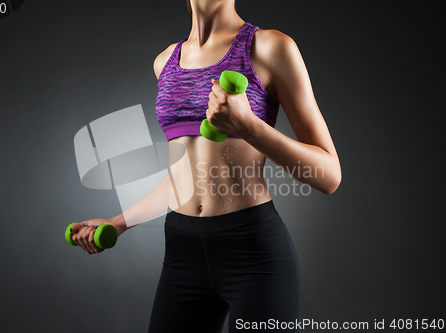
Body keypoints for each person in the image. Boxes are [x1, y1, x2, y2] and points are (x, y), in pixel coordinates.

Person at [71, 0, 341, 332]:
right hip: (183, 253)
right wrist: (119, 221)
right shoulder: (165, 61)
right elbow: (183, 177)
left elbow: (329, 175)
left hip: (253, 253)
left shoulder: (270, 47)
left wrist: (250, 128)